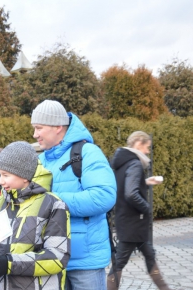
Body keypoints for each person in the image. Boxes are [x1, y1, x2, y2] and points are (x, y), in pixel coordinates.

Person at [31, 99, 117, 290]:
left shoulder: (88, 153)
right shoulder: (40, 160)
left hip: (84, 260)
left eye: (39, 128)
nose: (34, 134)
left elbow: (103, 197)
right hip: (50, 257)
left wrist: (52, 201)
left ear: (58, 127)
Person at [0, 141, 71, 290]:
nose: (0, 181)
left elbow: (58, 257)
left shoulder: (53, 204)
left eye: (5, 175)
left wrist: (10, 264)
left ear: (24, 176)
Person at [107, 131, 170, 290]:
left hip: (129, 220)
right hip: (133, 222)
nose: (148, 151)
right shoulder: (135, 163)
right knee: (120, 262)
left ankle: (164, 288)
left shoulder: (123, 162)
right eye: (147, 147)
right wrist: (146, 208)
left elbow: (125, 186)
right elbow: (130, 193)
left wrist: (146, 181)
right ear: (139, 144)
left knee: (149, 254)